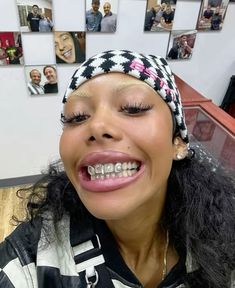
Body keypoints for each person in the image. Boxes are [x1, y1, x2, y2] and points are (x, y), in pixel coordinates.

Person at [0, 50, 235, 288]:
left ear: (179, 142)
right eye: (77, 117)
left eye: (134, 107)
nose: (97, 126)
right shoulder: (27, 259)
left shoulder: (225, 240)